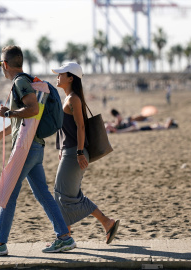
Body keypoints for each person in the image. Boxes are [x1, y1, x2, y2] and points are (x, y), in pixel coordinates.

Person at [0, 46, 75, 256]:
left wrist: (9, 112)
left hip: (27, 148)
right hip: (35, 146)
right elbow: (25, 121)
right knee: (42, 194)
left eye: (0, 64)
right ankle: (64, 237)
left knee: (9, 191)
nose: (1, 68)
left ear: (5, 64)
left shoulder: (20, 82)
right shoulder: (27, 80)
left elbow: (31, 109)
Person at [51, 62, 119, 245]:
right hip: (70, 151)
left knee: (62, 196)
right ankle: (106, 222)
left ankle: (64, 237)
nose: (57, 76)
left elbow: (81, 127)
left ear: (71, 78)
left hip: (75, 153)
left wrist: (80, 152)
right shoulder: (67, 98)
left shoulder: (73, 98)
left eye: (61, 74)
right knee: (66, 196)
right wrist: (63, 149)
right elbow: (67, 129)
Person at [105, 117, 178, 133]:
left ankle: (118, 131)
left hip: (144, 128)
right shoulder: (165, 126)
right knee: (132, 128)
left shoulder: (166, 127)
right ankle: (117, 130)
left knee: (132, 129)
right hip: (144, 128)